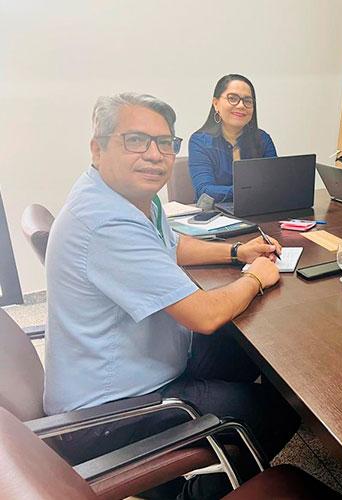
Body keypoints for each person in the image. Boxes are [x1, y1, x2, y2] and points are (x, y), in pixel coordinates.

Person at [44, 93, 299, 498]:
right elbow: (203, 315)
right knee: (285, 405)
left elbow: (172, 246)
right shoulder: (104, 221)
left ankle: (217, 438)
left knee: (245, 345)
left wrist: (237, 252)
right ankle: (193, 492)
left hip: (148, 361)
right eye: (136, 140)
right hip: (111, 411)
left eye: (165, 143)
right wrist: (255, 277)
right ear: (97, 148)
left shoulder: (130, 197)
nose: (154, 154)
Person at [189, 74, 277, 202]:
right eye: (232, 98)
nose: (241, 105)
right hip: (216, 212)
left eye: (247, 101)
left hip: (259, 209)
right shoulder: (200, 141)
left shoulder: (263, 139)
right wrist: (248, 190)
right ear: (216, 104)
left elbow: (275, 183)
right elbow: (204, 190)